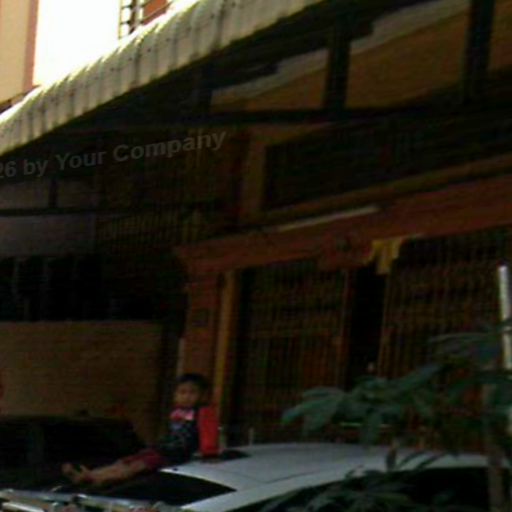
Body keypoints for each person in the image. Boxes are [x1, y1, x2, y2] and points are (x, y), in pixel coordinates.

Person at [62, 373, 215, 486]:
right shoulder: (177, 413)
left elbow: (208, 435)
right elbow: (171, 435)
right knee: (126, 460)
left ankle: (100, 479)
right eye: (182, 392)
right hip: (162, 449)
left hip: (176, 454)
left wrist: (209, 454)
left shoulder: (202, 413)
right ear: (175, 395)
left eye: (192, 392)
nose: (187, 397)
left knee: (137, 466)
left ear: (202, 395)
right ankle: (88, 474)